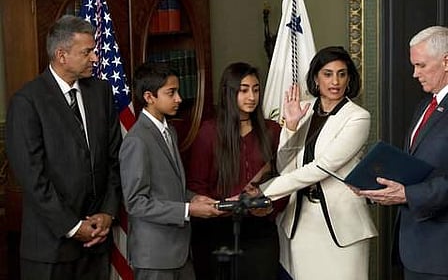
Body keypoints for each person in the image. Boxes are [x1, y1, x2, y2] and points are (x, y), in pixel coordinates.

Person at [357, 26, 448, 280]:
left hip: (447, 253)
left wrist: (407, 195)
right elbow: (413, 167)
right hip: (415, 247)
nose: (415, 74)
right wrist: (374, 185)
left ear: (446, 61)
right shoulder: (426, 105)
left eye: (421, 65)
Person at [5, 15, 122, 280]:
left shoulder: (101, 92)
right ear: (61, 55)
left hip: (96, 244)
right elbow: (33, 178)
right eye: (87, 52)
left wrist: (107, 212)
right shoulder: (27, 101)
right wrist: (72, 226)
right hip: (50, 249)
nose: (95, 58)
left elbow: (114, 159)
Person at [256, 46, 378, 280]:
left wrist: (266, 191)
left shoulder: (358, 116)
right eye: (328, 73)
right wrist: (290, 125)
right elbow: (285, 165)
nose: (336, 81)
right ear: (315, 77)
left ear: (349, 78)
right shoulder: (304, 110)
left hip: (342, 225)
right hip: (302, 223)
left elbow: (322, 167)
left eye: (342, 74)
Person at [119, 62, 222, 280]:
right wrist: (187, 210)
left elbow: (170, 187)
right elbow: (136, 202)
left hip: (180, 252)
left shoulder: (170, 131)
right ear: (149, 97)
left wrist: (196, 199)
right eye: (171, 93)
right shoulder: (137, 140)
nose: (179, 99)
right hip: (155, 257)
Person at [187, 62, 286, 280]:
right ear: (229, 92)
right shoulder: (209, 132)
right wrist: (215, 205)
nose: (252, 96)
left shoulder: (272, 131)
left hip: (261, 234)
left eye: (256, 89)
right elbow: (196, 186)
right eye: (244, 90)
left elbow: (286, 181)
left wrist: (269, 207)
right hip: (217, 233)